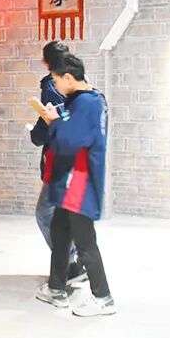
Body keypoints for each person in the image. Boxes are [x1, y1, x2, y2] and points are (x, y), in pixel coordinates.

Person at [34, 53, 116, 317]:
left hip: (79, 185)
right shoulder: (84, 101)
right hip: (69, 183)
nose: (55, 85)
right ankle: (56, 288)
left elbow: (69, 141)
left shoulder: (87, 104)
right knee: (59, 235)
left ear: (68, 78)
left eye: (56, 79)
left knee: (85, 242)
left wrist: (53, 123)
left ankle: (103, 298)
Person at [29, 41, 85, 286]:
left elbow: (50, 120)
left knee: (46, 214)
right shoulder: (82, 83)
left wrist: (37, 134)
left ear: (45, 62)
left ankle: (69, 263)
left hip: (61, 160)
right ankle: (77, 260)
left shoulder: (52, 85)